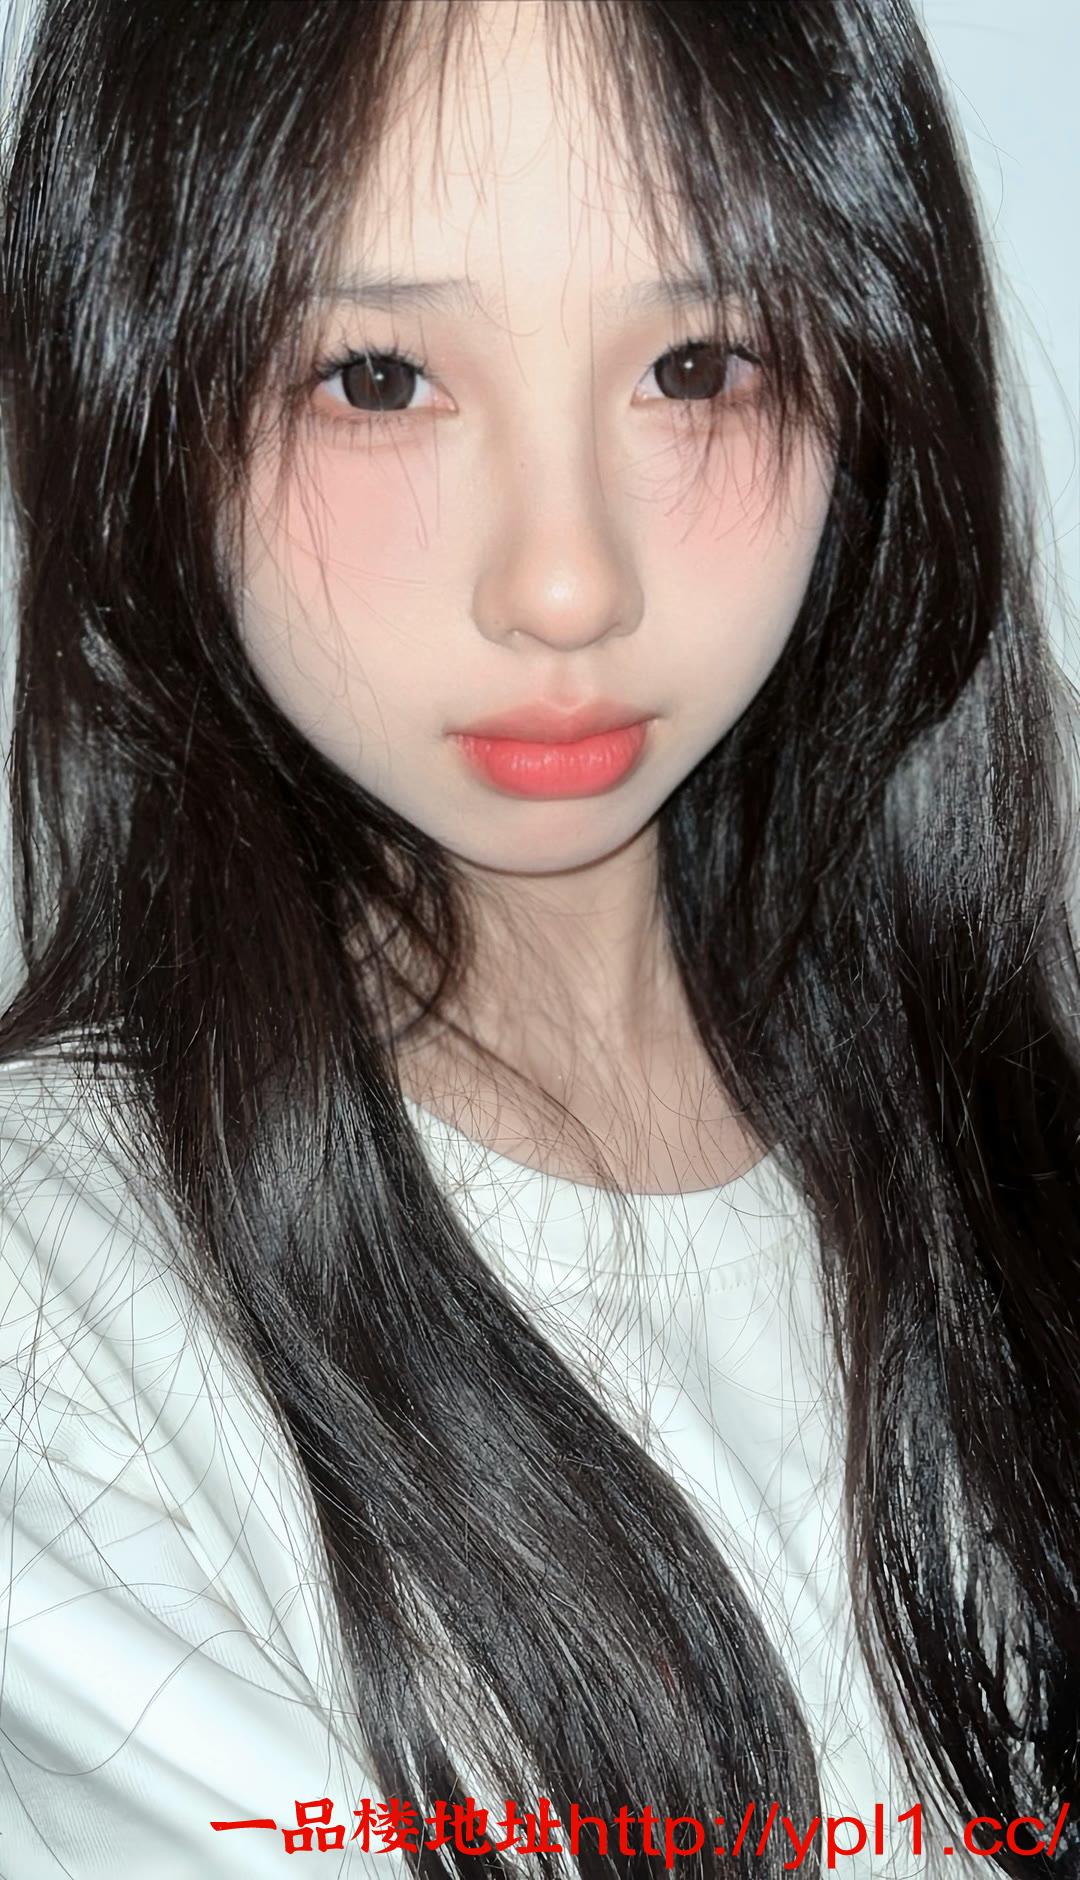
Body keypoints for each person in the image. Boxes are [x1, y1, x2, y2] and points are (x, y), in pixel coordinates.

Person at [0, 1, 1076, 1875]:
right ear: (141, 393)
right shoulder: (60, 1307)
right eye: (379, 380)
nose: (565, 582)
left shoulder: (1010, 1112)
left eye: (696, 363)